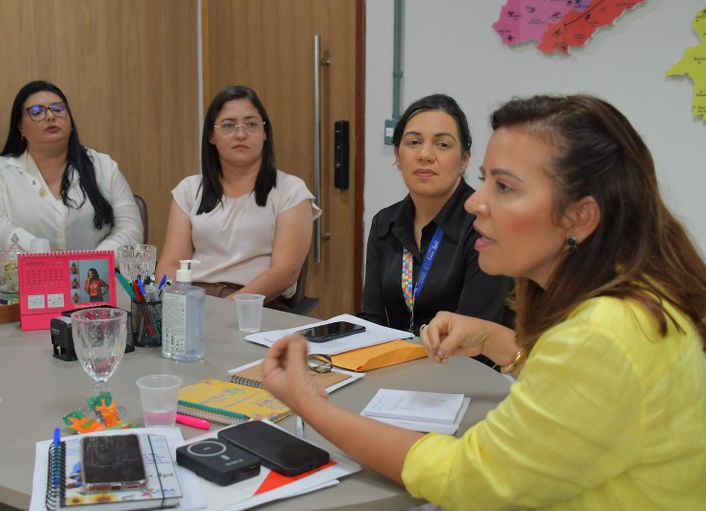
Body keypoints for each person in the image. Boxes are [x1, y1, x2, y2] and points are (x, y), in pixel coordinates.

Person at [262, 94, 706, 509]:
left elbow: (464, 477)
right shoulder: (632, 294)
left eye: (505, 187)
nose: (475, 202)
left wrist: (311, 403)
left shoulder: (604, 333)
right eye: (484, 182)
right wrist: (498, 342)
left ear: (579, 217)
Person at [359, 94, 511, 342]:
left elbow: (476, 338)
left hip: (465, 370)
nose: (425, 154)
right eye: (414, 142)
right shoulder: (385, 223)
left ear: (464, 159)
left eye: (442, 145)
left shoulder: (484, 225)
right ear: (398, 156)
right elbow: (373, 318)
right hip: (396, 369)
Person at [156, 85, 319, 308]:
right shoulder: (189, 189)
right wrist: (171, 307)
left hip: (257, 306)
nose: (241, 134)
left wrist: (226, 308)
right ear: (211, 135)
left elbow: (285, 273)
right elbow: (172, 264)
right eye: (229, 125)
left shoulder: (290, 190)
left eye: (251, 124)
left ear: (264, 133)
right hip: (194, 302)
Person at [0, 80, 143, 254]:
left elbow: (131, 229)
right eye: (37, 112)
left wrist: (92, 261)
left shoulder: (104, 167)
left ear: (70, 123)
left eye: (58, 109)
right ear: (21, 128)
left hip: (95, 278)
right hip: (21, 279)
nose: (51, 116)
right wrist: (42, 252)